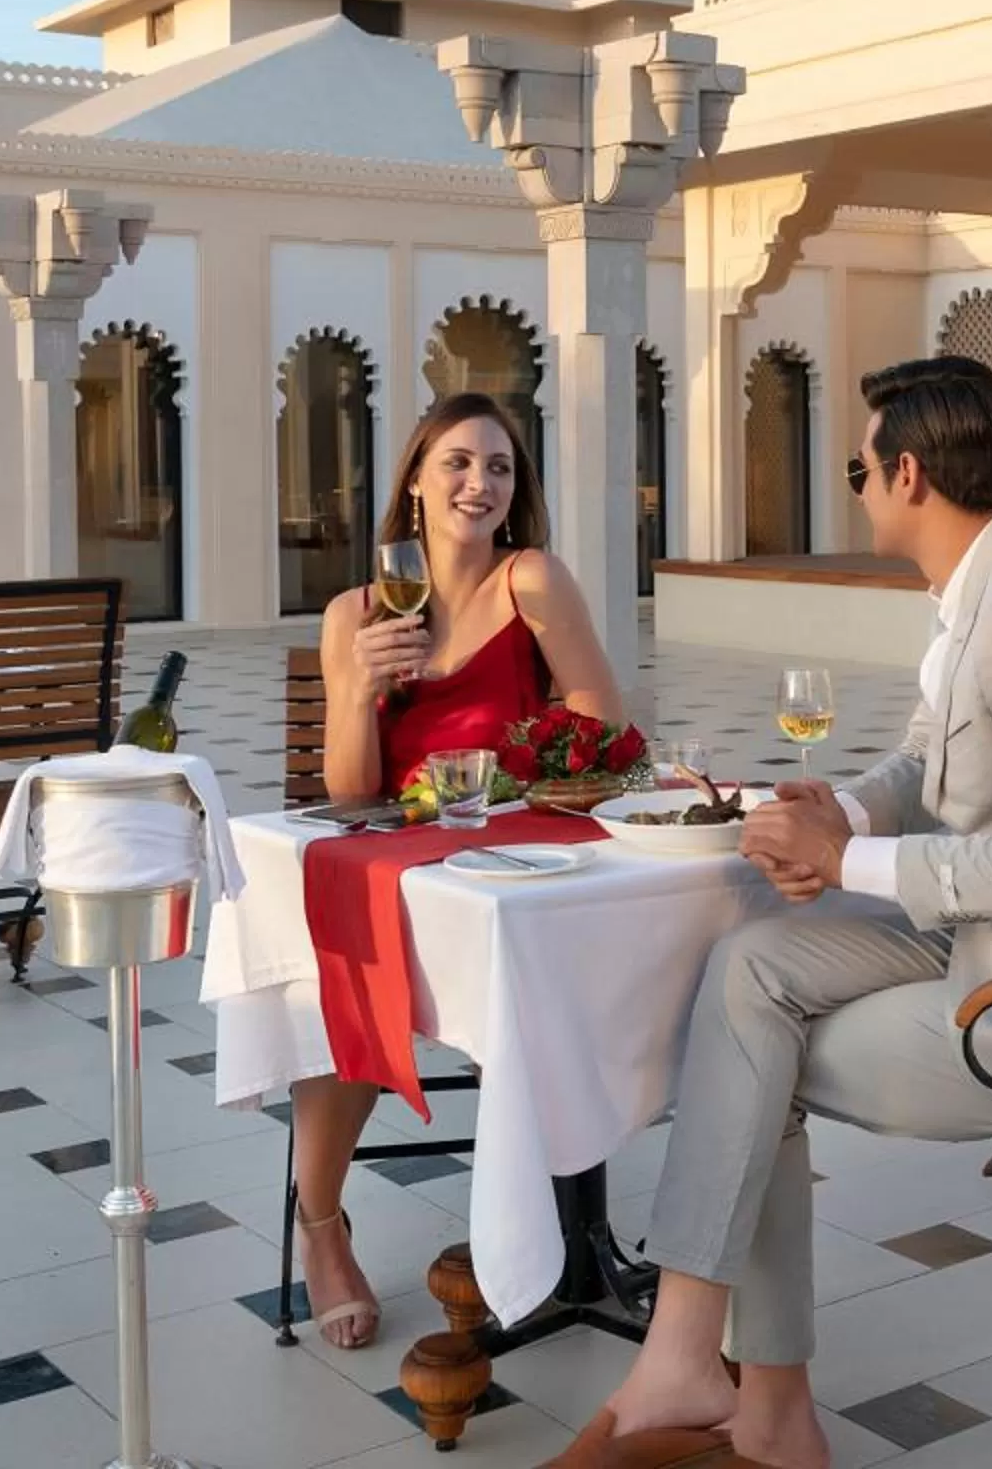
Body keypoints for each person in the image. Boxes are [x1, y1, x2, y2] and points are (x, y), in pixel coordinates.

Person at [551, 355, 992, 1469]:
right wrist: (837, 806)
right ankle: (749, 1393)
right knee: (748, 971)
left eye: (857, 466)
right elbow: (929, 760)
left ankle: (713, 1375)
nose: (856, 487)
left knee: (752, 1051)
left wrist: (851, 862)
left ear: (908, 473)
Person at [295, 391, 625, 1350]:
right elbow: (352, 795)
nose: (480, 483)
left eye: (500, 467)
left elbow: (601, 724)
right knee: (343, 966)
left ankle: (557, 1224)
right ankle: (321, 1226)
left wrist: (522, 766)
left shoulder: (533, 580)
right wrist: (357, 689)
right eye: (458, 463)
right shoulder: (356, 612)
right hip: (407, 853)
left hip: (518, 850)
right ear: (415, 480)